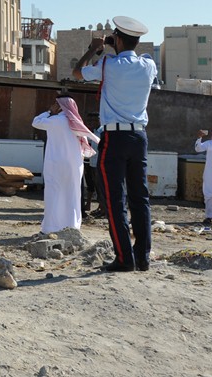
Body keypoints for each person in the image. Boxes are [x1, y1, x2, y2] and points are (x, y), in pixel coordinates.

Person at [72, 15, 157, 273]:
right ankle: (142, 257)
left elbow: (77, 73)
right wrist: (116, 43)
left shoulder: (108, 64)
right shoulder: (148, 65)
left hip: (115, 137)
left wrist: (94, 49)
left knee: (114, 199)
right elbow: (130, 54)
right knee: (139, 198)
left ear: (116, 39)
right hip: (139, 137)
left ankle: (123, 258)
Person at [31, 95, 98, 234]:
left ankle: (51, 227)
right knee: (72, 194)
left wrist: (49, 112)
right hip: (74, 166)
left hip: (56, 164)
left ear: (59, 106)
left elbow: (36, 122)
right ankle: (72, 226)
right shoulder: (77, 123)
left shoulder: (55, 121)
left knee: (54, 194)